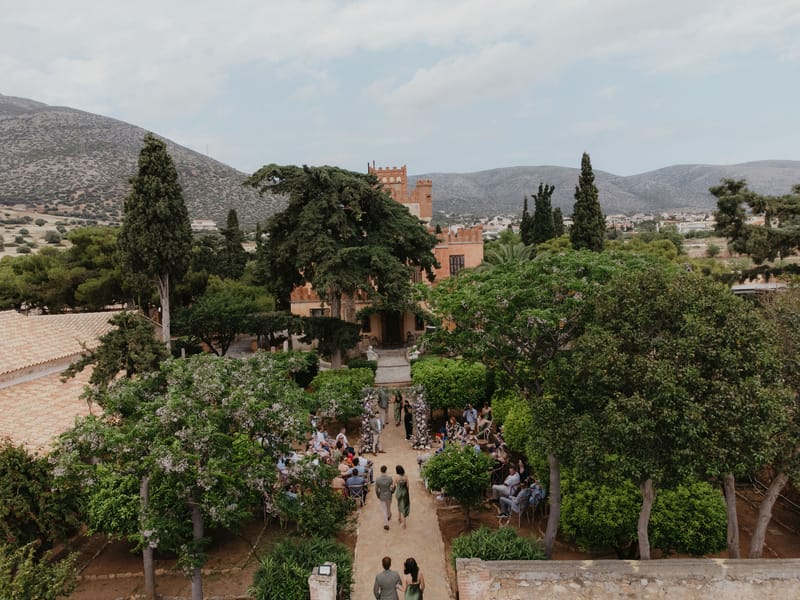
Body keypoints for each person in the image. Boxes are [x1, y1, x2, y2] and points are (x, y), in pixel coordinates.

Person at [375, 465, 396, 530]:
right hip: (389, 495)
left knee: (384, 510)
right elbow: (393, 486)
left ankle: (386, 523)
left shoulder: (378, 479)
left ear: (381, 471)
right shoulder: (390, 478)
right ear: (386, 470)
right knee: (388, 507)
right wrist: (392, 491)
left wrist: (378, 495)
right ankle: (389, 515)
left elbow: (376, 489)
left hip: (382, 496)